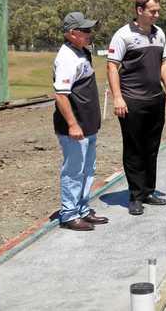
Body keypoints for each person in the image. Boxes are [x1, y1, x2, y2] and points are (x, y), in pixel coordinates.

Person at [107, 0, 166, 216]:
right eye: (152, 11)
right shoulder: (123, 35)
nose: (157, 14)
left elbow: (163, 63)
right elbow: (111, 67)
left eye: (158, 10)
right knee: (134, 148)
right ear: (139, 11)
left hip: (155, 99)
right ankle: (135, 195)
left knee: (152, 147)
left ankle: (148, 190)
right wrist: (117, 97)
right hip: (132, 101)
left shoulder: (160, 34)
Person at [53, 12, 108, 230]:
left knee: (88, 169)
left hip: (88, 125)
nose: (89, 34)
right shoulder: (66, 57)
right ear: (72, 33)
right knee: (74, 171)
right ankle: (69, 214)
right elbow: (61, 95)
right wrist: (73, 124)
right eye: (85, 31)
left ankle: (82, 209)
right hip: (74, 128)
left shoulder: (82, 52)